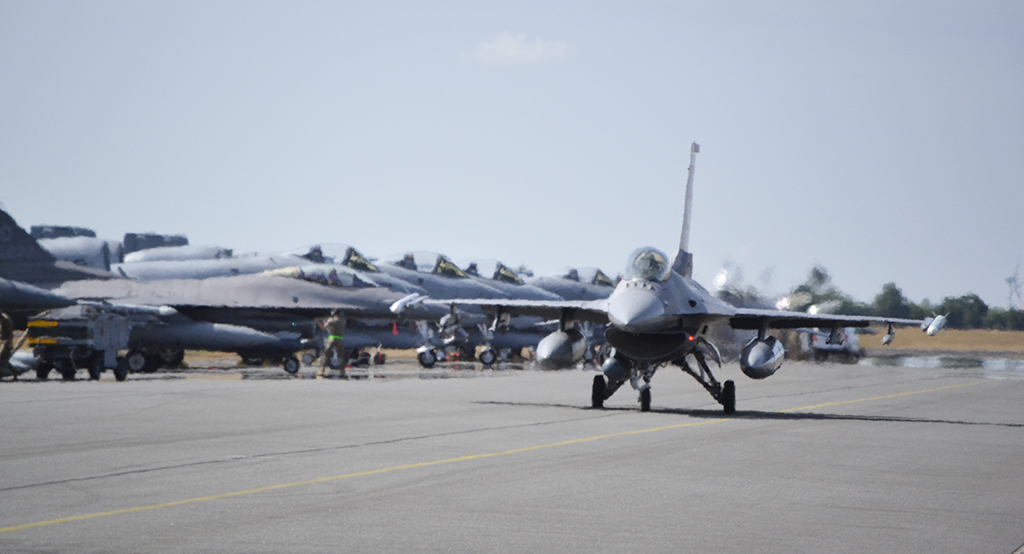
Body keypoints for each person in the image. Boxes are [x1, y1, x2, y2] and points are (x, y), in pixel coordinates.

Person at [318, 309, 346, 378]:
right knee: (341, 356)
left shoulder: (331, 320)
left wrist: (318, 322)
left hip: (332, 339)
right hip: (340, 339)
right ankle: (342, 371)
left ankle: (322, 370)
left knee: (326, 355)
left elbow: (323, 328)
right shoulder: (343, 321)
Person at [0, 313, 15, 381]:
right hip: (0, 340)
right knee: (3, 360)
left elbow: (10, 332)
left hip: (5, 341)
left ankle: (15, 372)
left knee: (2, 358)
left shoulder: (5, 319)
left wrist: (10, 343)